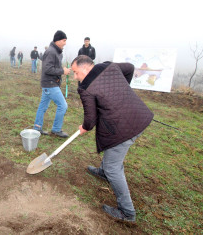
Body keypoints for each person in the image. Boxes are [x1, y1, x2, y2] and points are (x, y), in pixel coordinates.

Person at [71, 55, 154, 222]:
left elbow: (90, 120)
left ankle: (127, 212)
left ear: (86, 69)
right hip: (139, 117)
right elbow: (130, 68)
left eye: (76, 73)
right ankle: (103, 172)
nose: (75, 77)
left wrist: (84, 127)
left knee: (113, 167)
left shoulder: (85, 88)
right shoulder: (108, 66)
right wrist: (123, 90)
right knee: (111, 147)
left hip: (124, 128)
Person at [33, 30, 71, 138]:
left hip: (49, 83)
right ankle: (56, 129)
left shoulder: (56, 51)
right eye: (64, 40)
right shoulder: (51, 51)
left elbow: (53, 67)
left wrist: (62, 70)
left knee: (43, 106)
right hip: (50, 84)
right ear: (58, 40)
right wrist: (62, 71)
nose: (65, 43)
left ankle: (37, 127)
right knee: (63, 105)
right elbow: (48, 69)